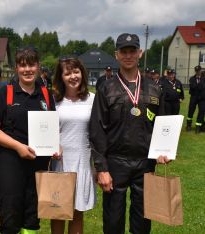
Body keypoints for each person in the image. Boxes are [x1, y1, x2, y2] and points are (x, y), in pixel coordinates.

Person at [89, 33, 168, 234]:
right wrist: (101, 168)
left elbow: (163, 125)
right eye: (123, 51)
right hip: (116, 162)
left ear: (140, 53)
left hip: (146, 162)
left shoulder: (154, 88)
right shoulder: (106, 88)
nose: (128, 55)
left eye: (132, 50)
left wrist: (165, 150)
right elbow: (97, 130)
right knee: (113, 220)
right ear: (116, 55)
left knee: (142, 221)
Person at [0, 46, 59, 234]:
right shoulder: (5, 93)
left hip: (38, 162)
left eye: (31, 65)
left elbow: (50, 126)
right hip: (10, 161)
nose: (27, 70)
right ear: (16, 68)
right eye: (23, 65)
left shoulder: (46, 94)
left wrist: (56, 145)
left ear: (38, 66)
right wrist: (18, 146)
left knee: (33, 214)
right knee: (10, 214)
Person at [51, 57, 96, 234]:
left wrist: (98, 166)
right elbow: (45, 129)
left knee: (77, 212)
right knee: (57, 212)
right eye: (67, 73)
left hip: (83, 161)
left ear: (82, 73)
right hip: (59, 162)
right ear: (60, 77)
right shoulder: (53, 100)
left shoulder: (93, 99)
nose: (72, 76)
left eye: (76, 71)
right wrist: (52, 145)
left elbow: (99, 133)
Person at [186, 65, 205, 133]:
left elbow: (202, 87)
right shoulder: (192, 79)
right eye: (196, 71)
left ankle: (198, 126)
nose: (198, 72)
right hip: (194, 97)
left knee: (202, 111)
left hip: (202, 98)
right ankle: (188, 125)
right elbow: (193, 87)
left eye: (199, 71)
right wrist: (200, 82)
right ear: (195, 71)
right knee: (191, 110)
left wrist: (200, 80)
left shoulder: (203, 78)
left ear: (200, 70)